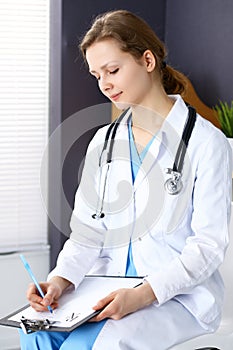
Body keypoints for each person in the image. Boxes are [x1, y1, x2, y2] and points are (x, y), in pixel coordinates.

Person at [19, 9, 232, 350]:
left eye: (113, 70)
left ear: (147, 60)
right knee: (37, 333)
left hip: (174, 297)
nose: (104, 84)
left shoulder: (206, 142)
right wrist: (60, 282)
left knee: (91, 346)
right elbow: (88, 233)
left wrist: (142, 295)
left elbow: (207, 247)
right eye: (96, 75)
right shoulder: (103, 142)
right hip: (104, 286)